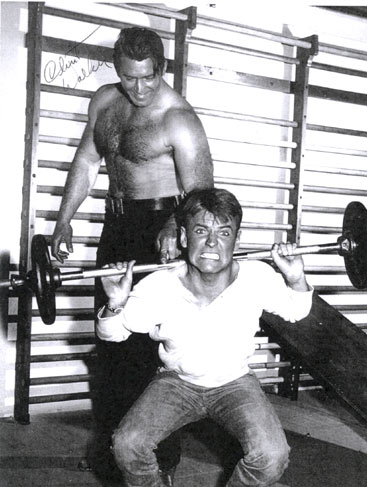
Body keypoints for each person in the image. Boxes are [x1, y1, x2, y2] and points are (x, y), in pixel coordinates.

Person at [50, 27, 213, 484]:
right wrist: (64, 220)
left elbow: (201, 192)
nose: (139, 89)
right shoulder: (104, 102)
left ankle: (160, 454)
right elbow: (86, 163)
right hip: (115, 227)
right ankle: (111, 446)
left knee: (148, 349)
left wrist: (174, 225)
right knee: (108, 339)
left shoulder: (178, 117)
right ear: (116, 71)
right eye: (128, 78)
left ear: (161, 69)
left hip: (160, 230)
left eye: (147, 78)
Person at [97, 188, 313, 487]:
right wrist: (115, 302)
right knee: (127, 443)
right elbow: (112, 333)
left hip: (234, 383)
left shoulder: (257, 276)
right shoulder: (160, 284)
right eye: (201, 230)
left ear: (237, 240)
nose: (212, 242)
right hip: (176, 383)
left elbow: (297, 311)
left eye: (224, 233)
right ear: (185, 238)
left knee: (272, 455)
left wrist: (295, 278)